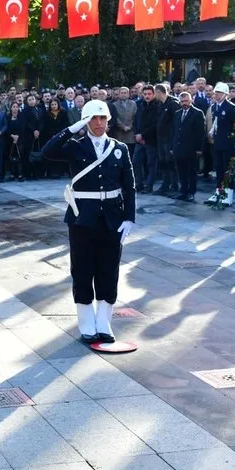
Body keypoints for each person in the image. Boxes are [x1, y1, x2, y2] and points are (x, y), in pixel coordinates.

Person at [38, 100, 136, 344]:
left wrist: (129, 218)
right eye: (93, 119)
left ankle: (104, 322)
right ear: (86, 121)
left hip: (112, 218)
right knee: (82, 271)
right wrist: (73, 128)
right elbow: (47, 151)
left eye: (103, 118)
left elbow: (129, 186)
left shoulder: (119, 148)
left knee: (108, 270)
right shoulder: (75, 146)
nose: (99, 123)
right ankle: (86, 323)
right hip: (83, 218)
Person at [171, 91, 205, 201]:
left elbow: (201, 132)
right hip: (179, 148)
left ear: (191, 101)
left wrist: (199, 148)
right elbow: (174, 131)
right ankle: (183, 191)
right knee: (181, 171)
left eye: (186, 101)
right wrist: (173, 147)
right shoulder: (177, 113)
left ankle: (191, 192)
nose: (184, 103)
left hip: (191, 148)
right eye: (182, 101)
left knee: (191, 172)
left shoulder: (198, 113)